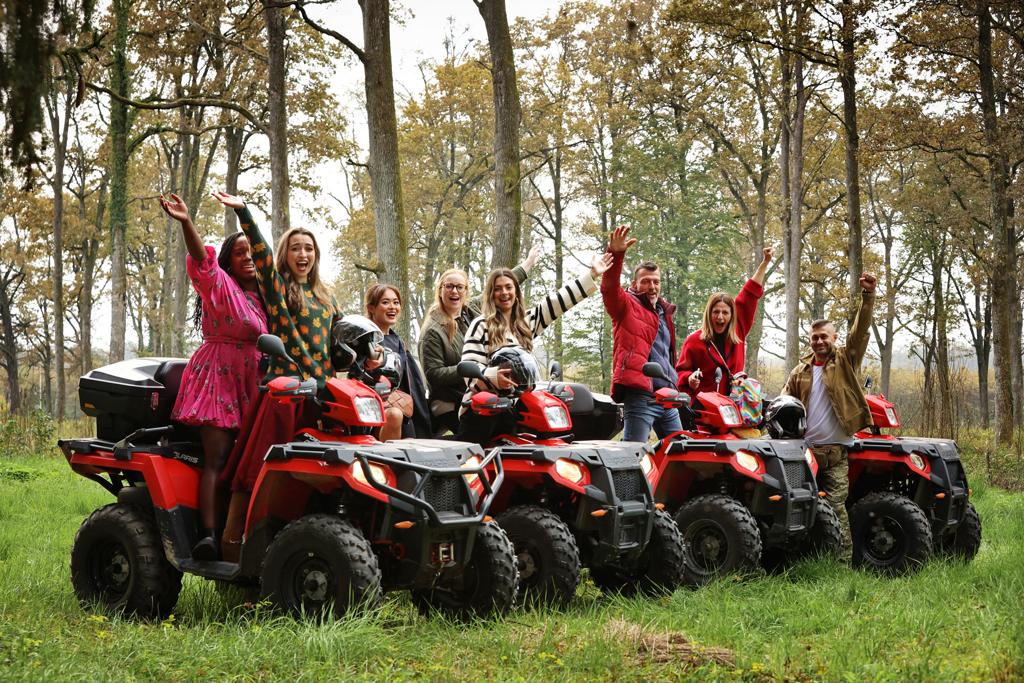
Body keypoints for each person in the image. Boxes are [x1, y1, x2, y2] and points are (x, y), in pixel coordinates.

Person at [211, 191, 340, 561]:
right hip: (285, 395)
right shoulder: (279, 288)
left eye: (309, 249)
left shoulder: (327, 297)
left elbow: (340, 340)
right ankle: (232, 546)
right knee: (257, 470)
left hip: (321, 396)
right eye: (296, 248)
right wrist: (244, 213)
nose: (303, 254)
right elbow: (262, 256)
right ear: (286, 254)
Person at [158, 193, 268, 561]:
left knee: (249, 462)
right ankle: (207, 536)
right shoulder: (220, 285)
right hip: (219, 376)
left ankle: (243, 537)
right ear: (229, 261)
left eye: (252, 251)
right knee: (218, 458)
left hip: (256, 382)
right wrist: (186, 222)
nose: (248, 257)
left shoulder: (270, 297)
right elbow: (201, 260)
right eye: (239, 253)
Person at [458, 252, 612, 442]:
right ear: (491, 294)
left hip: (515, 408)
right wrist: (493, 376)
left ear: (516, 292)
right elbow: (469, 368)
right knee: (473, 455)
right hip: (482, 408)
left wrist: (592, 274)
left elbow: (556, 302)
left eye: (509, 287)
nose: (504, 293)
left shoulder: (525, 322)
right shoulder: (481, 325)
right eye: (498, 289)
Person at [781, 273, 878, 563]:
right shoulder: (799, 372)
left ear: (834, 338)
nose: (819, 341)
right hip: (805, 453)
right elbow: (783, 404)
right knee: (798, 506)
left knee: (836, 508)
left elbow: (860, 331)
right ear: (809, 340)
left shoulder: (846, 360)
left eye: (824, 336)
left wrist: (868, 297)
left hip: (836, 454)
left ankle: (841, 563)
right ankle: (798, 559)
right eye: (815, 337)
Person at [418, 247, 540, 435]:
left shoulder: (471, 310)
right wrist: (474, 368)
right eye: (449, 286)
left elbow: (502, 286)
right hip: (449, 398)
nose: (454, 291)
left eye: (459, 287)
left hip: (482, 389)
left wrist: (529, 262)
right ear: (440, 290)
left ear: (466, 291)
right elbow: (434, 373)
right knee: (482, 431)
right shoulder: (432, 331)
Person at [600, 226, 682, 442]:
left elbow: (666, 355)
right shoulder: (626, 305)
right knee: (633, 452)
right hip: (640, 395)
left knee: (680, 450)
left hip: (667, 396)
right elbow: (609, 288)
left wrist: (676, 382)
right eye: (645, 281)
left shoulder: (664, 313)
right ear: (635, 284)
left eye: (656, 281)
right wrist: (616, 254)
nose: (652, 286)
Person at [676, 247, 774, 398]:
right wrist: (689, 378)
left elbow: (750, 294)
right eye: (716, 312)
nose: (720, 317)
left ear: (732, 315)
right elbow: (680, 372)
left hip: (735, 405)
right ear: (709, 314)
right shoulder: (694, 341)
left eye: (725, 312)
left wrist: (765, 262)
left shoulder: (738, 330)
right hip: (704, 407)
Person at [365, 284, 431, 440]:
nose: (392, 307)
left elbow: (411, 384)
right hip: (374, 412)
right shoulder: (365, 340)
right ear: (371, 308)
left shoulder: (399, 342)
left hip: (403, 408)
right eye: (385, 302)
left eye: (396, 302)